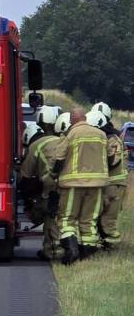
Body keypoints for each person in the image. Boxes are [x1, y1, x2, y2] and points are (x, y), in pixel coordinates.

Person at [51, 107, 116, 264]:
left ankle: (72, 250)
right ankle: (86, 255)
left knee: (67, 218)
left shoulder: (70, 134)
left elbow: (59, 157)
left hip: (73, 184)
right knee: (89, 219)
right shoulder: (101, 134)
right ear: (85, 118)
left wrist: (55, 174)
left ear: (73, 119)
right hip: (97, 185)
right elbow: (111, 158)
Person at [19, 122, 64, 260]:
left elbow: (25, 176)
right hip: (72, 181)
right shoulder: (58, 139)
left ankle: (52, 250)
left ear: (27, 139)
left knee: (50, 213)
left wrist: (25, 197)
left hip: (52, 184)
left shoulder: (34, 146)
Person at [90, 103, 128, 248]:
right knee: (99, 216)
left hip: (112, 184)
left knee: (107, 220)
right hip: (108, 183)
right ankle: (103, 242)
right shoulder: (111, 136)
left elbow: (113, 161)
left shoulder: (112, 137)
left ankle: (110, 246)